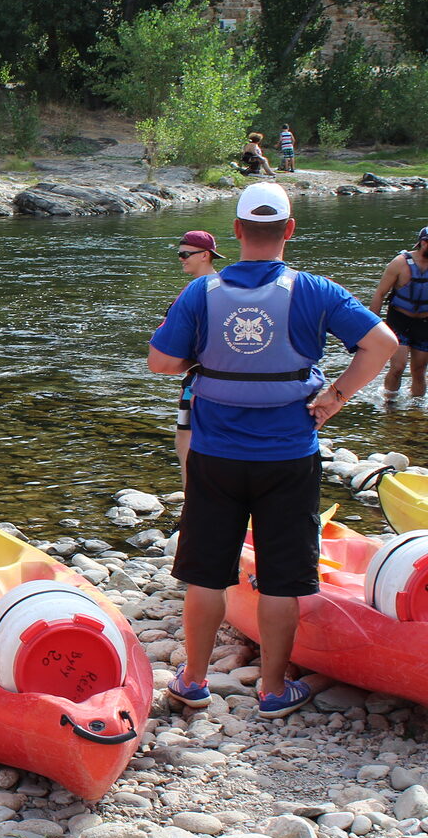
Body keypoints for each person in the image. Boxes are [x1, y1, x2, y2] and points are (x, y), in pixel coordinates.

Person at [148, 182, 395, 720]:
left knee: (207, 573)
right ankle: (274, 689)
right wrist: (334, 398)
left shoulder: (201, 293)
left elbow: (161, 363)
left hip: (215, 454)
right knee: (284, 576)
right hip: (289, 455)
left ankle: (192, 680)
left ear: (235, 232)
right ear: (289, 230)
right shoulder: (318, 290)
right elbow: (383, 345)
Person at [172, 231, 222, 486]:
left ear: (205, 255)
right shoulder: (222, 287)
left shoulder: (202, 290)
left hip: (198, 381)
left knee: (185, 439)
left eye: (185, 254)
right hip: (198, 379)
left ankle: (193, 503)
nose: (181, 259)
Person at [368, 225, 428, 402]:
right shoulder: (400, 263)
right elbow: (380, 293)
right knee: (398, 367)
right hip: (399, 321)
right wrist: (371, 325)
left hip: (424, 324)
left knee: (419, 370)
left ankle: (415, 411)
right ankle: (389, 402)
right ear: (423, 243)